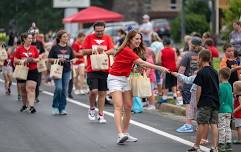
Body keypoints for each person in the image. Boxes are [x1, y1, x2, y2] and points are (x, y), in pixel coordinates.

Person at [108, 30, 169, 144]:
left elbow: (132, 65)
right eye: (136, 39)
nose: (139, 41)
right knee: (118, 106)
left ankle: (125, 133)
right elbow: (143, 63)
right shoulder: (127, 50)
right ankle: (120, 134)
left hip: (125, 79)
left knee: (128, 106)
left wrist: (135, 69)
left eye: (140, 39)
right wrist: (161, 68)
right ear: (130, 39)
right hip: (115, 79)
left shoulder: (132, 50)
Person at [82, 21, 114, 123]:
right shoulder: (89, 38)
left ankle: (101, 115)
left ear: (104, 29)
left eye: (101, 31)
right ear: (94, 30)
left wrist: (103, 52)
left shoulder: (108, 38)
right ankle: (92, 108)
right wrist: (95, 50)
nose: (99, 33)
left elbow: (113, 50)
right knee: (94, 91)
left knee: (102, 93)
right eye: (97, 31)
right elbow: (83, 51)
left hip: (104, 68)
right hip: (92, 68)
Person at [187, 49, 219, 152]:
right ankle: (215, 147)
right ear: (210, 59)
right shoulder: (215, 72)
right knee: (213, 124)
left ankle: (196, 146)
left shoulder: (201, 72)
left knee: (201, 123)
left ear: (200, 59)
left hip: (205, 101)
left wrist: (197, 102)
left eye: (198, 59)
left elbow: (198, 88)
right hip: (215, 101)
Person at [176, 36, 203, 133]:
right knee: (199, 104)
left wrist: (179, 83)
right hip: (201, 83)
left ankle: (188, 124)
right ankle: (200, 125)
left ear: (191, 44)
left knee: (188, 104)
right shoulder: (204, 54)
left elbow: (181, 70)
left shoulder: (187, 55)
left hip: (188, 83)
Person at [48, 30, 74, 115]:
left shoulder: (69, 48)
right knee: (59, 88)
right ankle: (55, 106)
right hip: (57, 70)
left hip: (67, 71)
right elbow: (49, 59)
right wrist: (58, 60)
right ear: (59, 38)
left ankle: (62, 108)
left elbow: (73, 58)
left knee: (64, 90)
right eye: (64, 36)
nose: (66, 38)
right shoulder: (54, 48)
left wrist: (73, 60)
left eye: (67, 37)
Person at [14, 32, 39, 113]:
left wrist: (33, 60)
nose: (31, 40)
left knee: (31, 88)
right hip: (22, 70)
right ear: (24, 39)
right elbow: (15, 60)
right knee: (23, 90)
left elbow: (38, 59)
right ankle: (24, 105)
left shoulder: (34, 48)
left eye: (31, 38)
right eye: (29, 38)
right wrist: (23, 60)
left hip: (33, 70)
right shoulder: (19, 49)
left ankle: (31, 106)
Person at [217, 67, 233, 151]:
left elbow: (219, 99)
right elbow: (231, 98)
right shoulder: (230, 86)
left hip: (222, 109)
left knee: (221, 127)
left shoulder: (220, 86)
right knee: (228, 127)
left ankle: (221, 143)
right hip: (229, 109)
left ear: (221, 76)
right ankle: (229, 143)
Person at [159, 38, 177, 102]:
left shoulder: (162, 51)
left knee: (166, 83)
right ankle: (175, 95)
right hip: (174, 68)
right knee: (174, 82)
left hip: (166, 69)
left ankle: (164, 97)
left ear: (164, 44)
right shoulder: (173, 50)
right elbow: (176, 59)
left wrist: (161, 65)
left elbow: (159, 60)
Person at [31, 31, 45, 103]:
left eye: (34, 36)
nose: (33, 37)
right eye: (32, 36)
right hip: (30, 64)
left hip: (39, 64)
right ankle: (30, 96)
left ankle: (36, 97)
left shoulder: (39, 43)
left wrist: (40, 55)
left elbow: (43, 52)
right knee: (31, 82)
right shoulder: (28, 43)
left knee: (37, 82)